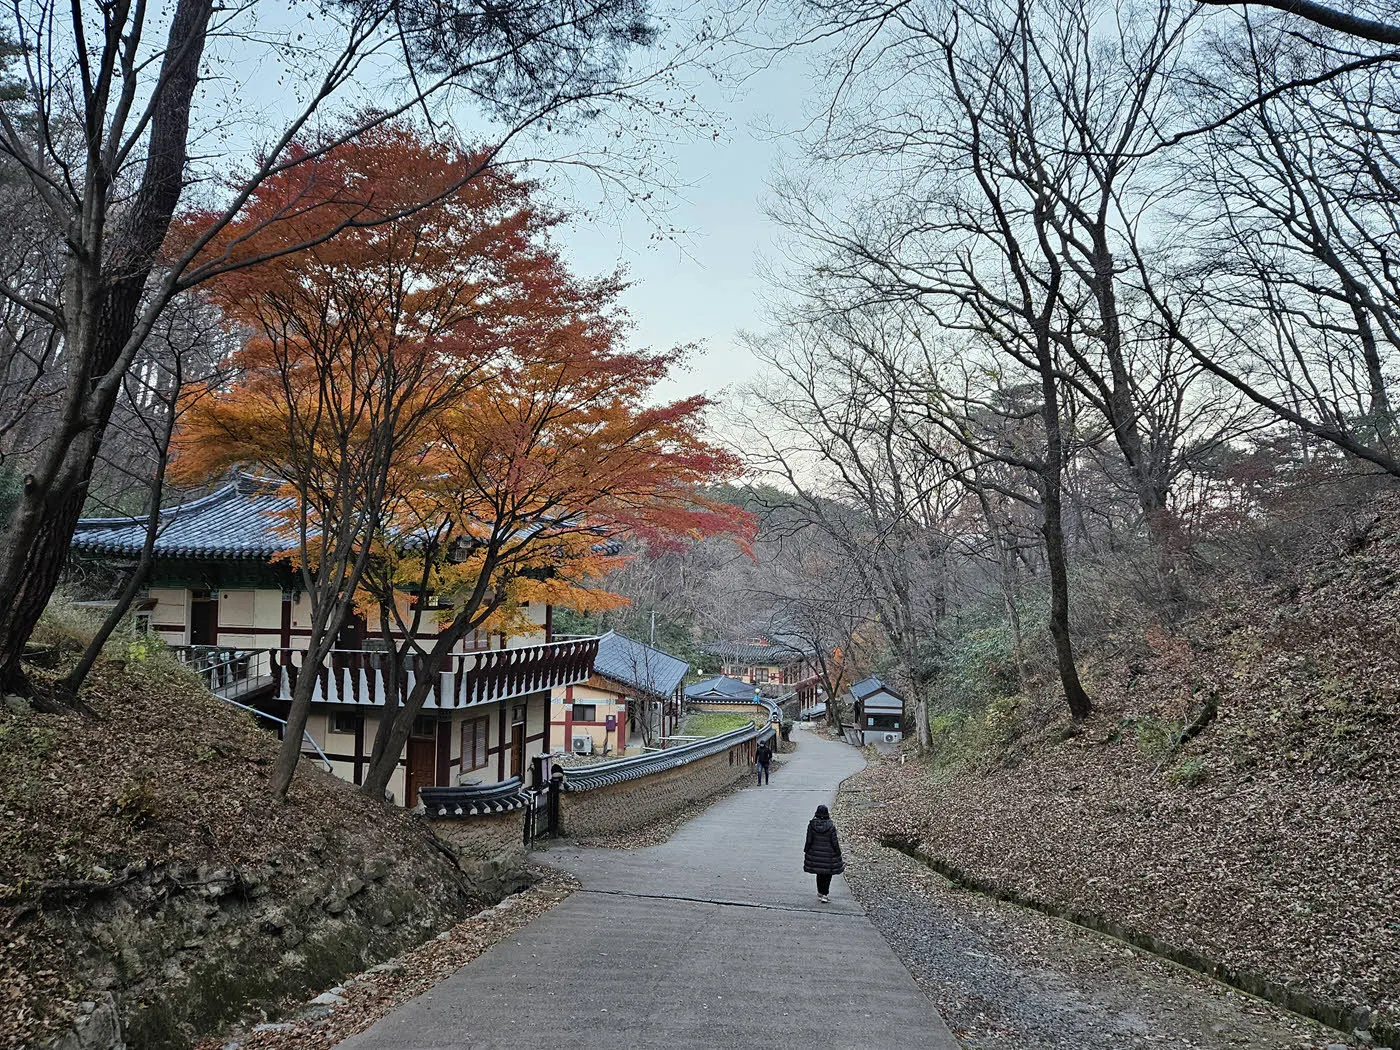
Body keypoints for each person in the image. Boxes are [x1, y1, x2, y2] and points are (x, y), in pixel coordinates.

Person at [803, 804, 844, 903]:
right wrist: (838, 852)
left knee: (819, 873)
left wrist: (806, 850)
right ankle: (825, 894)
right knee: (827, 875)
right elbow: (834, 841)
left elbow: (809, 840)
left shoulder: (812, 825)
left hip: (816, 853)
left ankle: (820, 892)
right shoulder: (831, 826)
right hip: (829, 854)